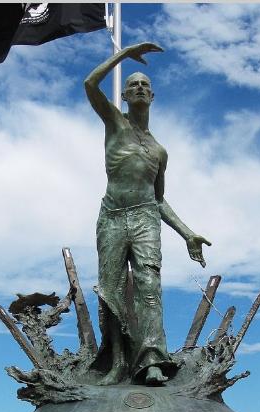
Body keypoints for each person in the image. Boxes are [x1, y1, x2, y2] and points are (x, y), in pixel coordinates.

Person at [84, 42, 211, 386]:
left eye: (144, 85)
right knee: (110, 290)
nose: (139, 87)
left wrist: (187, 233)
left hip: (144, 217)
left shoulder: (159, 151)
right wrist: (124, 56)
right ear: (124, 96)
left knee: (149, 286)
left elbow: (158, 200)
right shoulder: (114, 123)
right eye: (132, 85)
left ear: (152, 96)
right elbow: (90, 85)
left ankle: (153, 361)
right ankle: (118, 363)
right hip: (112, 215)